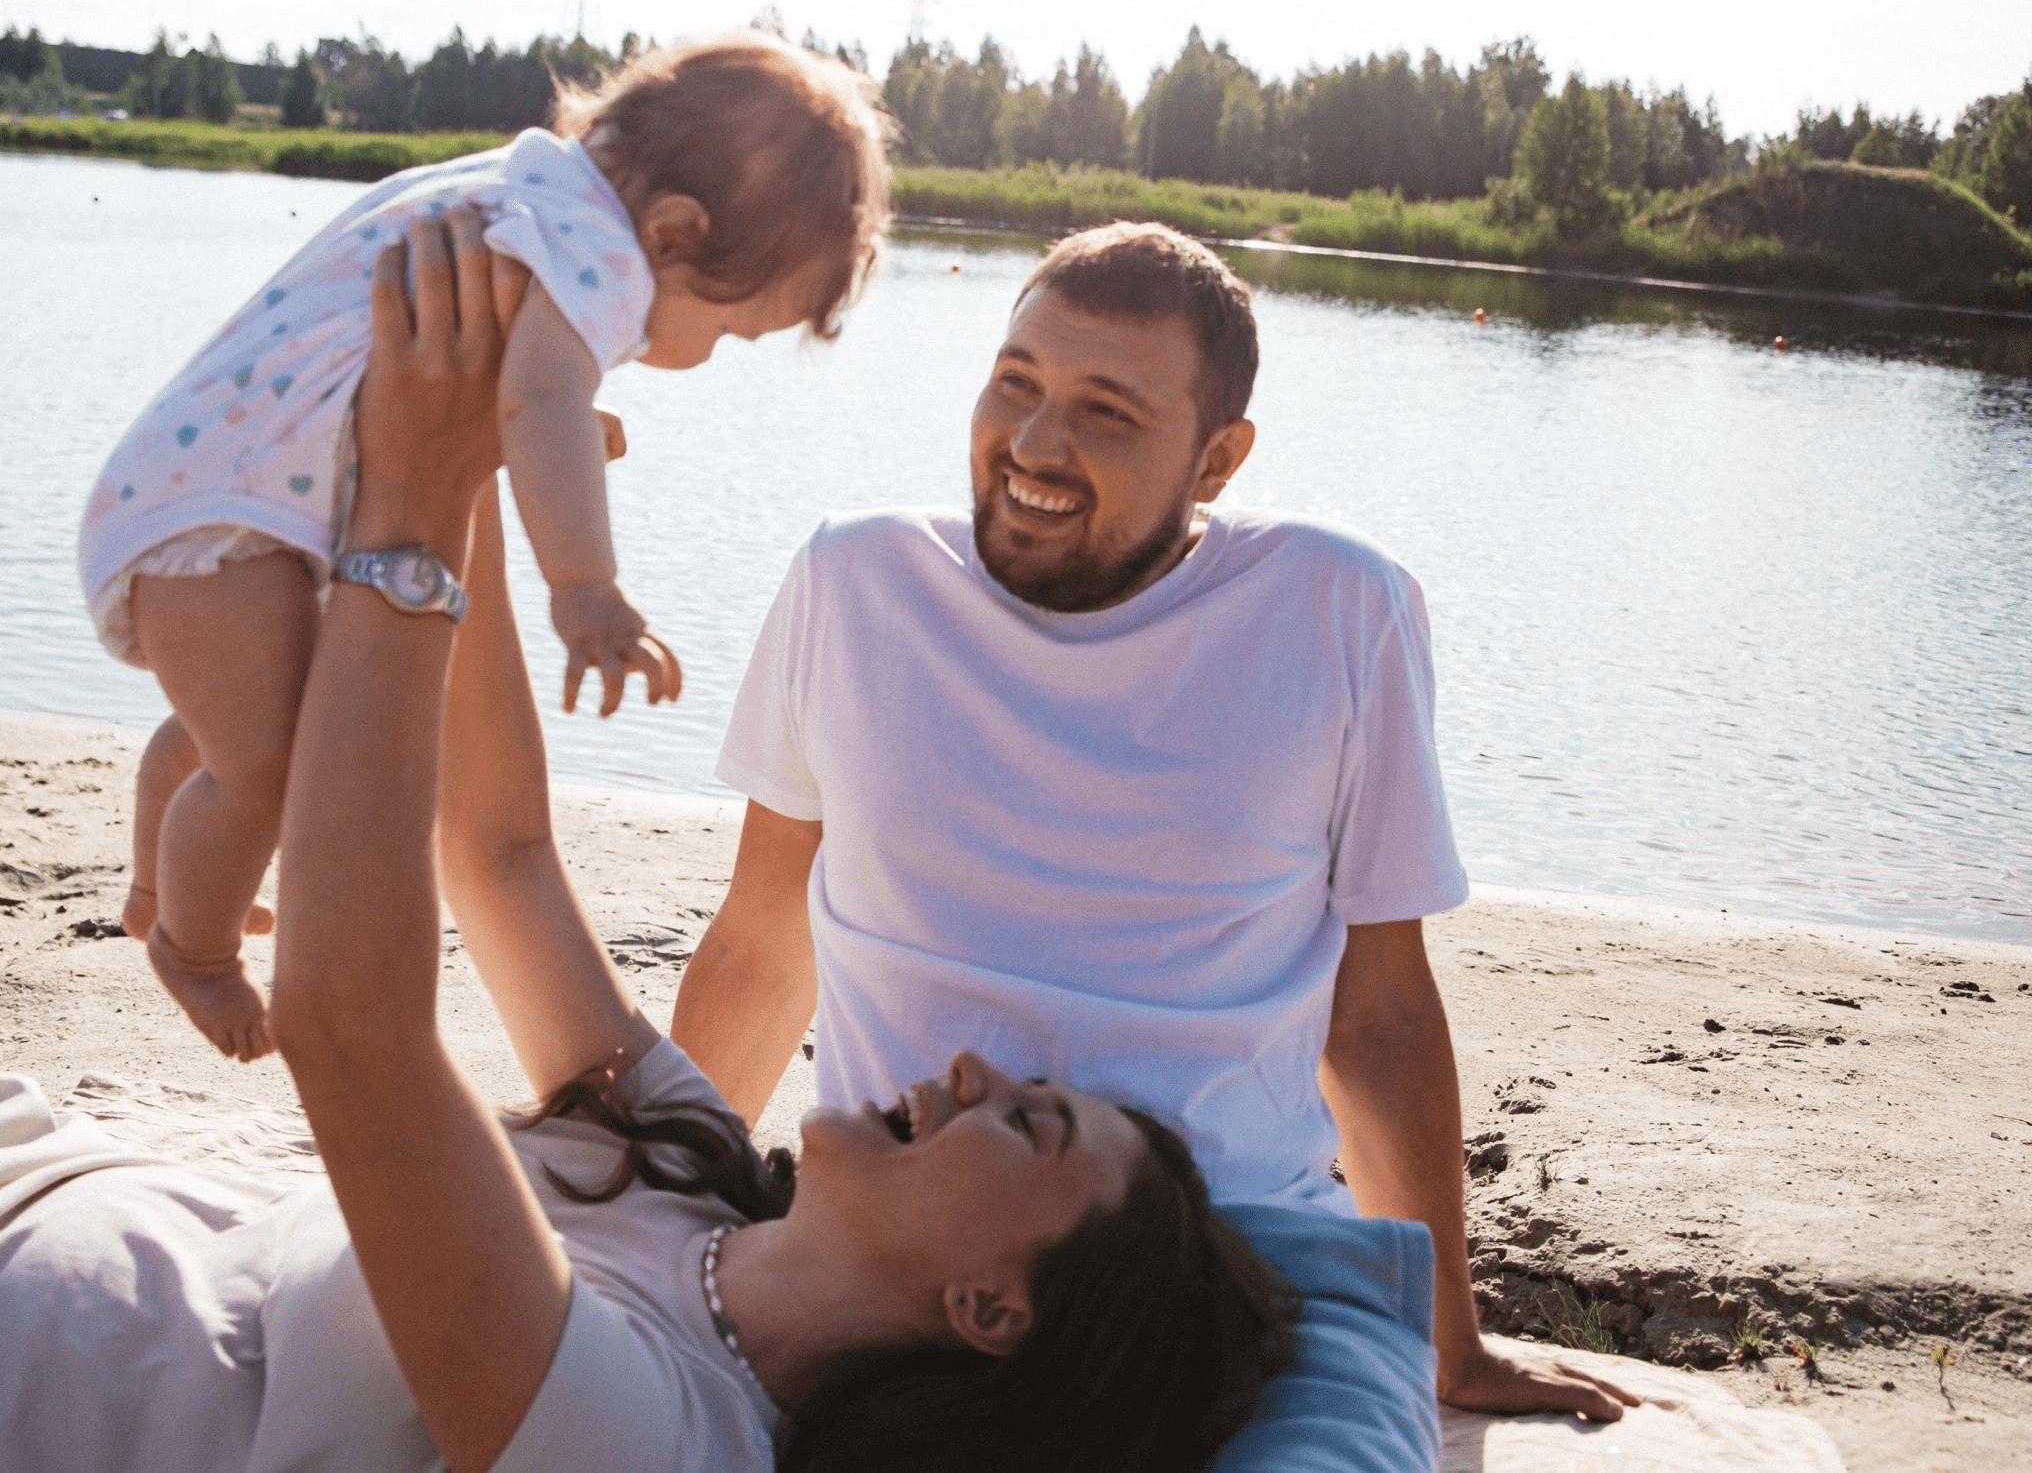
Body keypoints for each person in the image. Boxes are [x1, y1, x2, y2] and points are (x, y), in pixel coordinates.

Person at [0, 211, 1304, 1473]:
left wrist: (404, 524)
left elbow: (352, 1018)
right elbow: (497, 847)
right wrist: (478, 440)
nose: (975, 1067)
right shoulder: (686, 1162)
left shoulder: (662, 1438)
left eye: (1036, 1121)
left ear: (993, 1309)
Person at [670, 222, 1640, 1445]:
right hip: (914, 1253)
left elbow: (1378, 1008)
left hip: (1253, 1261)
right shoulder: (852, 582)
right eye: (1015, 383)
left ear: (1218, 458)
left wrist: (1450, 1336)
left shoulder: (1341, 610)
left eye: (1107, 412)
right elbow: (763, 942)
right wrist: (662, 1214)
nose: (1033, 445)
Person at [77, 34, 892, 1062]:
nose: (705, 353)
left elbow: (522, 387)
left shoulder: (527, 187)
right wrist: (585, 587)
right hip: (226, 522)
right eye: (727, 331)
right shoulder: (596, 254)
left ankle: (161, 880)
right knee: (274, 764)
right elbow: (541, 392)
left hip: (193, 490)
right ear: (676, 234)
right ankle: (190, 948)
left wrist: (546, 422)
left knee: (243, 720)